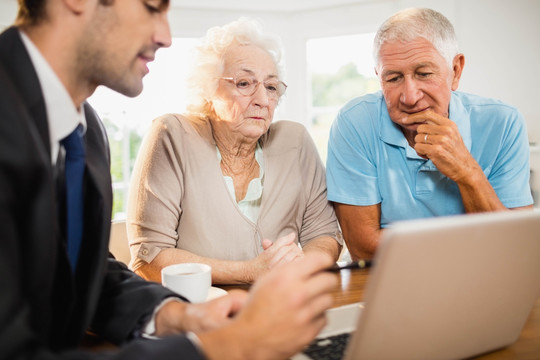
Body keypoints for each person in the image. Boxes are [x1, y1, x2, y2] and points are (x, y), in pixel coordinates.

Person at [0, 1, 338, 359]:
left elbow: (86, 277)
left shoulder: (86, 131)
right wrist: (222, 346)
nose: (166, 37)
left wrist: (177, 314)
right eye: (151, 7)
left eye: (271, 88)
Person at [127, 18, 343, 285]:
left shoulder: (295, 141)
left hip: (281, 303)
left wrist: (298, 270)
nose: (263, 100)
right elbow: (149, 259)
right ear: (209, 90)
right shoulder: (173, 135)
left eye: (271, 87)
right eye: (244, 83)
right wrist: (249, 272)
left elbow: (325, 236)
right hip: (197, 311)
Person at [326, 8, 534, 260]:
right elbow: (363, 247)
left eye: (424, 74)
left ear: (455, 71)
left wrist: (467, 171)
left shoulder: (504, 122)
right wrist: (474, 241)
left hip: (482, 274)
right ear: (378, 77)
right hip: (389, 278)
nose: (410, 97)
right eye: (393, 78)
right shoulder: (354, 122)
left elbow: (515, 246)